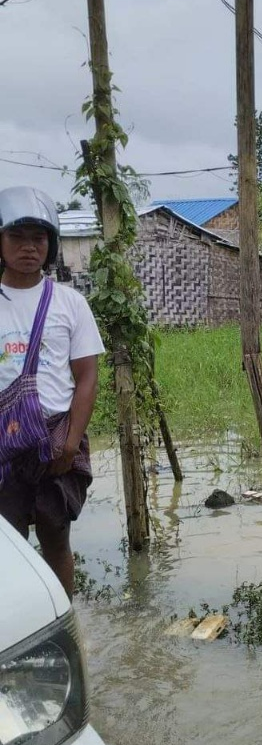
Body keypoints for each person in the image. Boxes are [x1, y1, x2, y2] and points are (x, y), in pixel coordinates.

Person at [0, 187, 104, 599]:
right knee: (8, 544)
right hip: (4, 444)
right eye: (17, 237)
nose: (29, 247)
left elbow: (87, 377)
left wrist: (71, 442)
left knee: (56, 538)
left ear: (51, 245)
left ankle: (63, 625)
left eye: (39, 239)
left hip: (56, 437)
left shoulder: (69, 303)